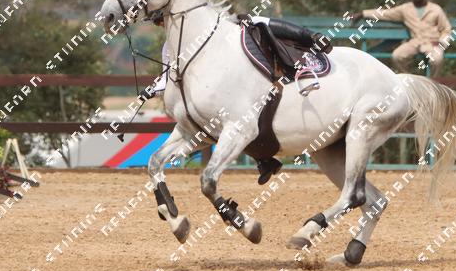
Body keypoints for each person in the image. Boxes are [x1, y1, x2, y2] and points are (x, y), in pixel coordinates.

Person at [140, 13, 332, 184]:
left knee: (256, 20)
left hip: (229, 51)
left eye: (161, 20)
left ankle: (311, 36)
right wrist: (152, 90)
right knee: (232, 124)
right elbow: (166, 79)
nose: (161, 25)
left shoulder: (203, 27)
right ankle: (263, 158)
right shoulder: (169, 49)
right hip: (213, 93)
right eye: (158, 23)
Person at [350, 0, 452, 75]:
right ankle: (408, 79)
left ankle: (433, 82)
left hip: (432, 43)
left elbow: (446, 29)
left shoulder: (435, 9)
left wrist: (441, 43)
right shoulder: (405, 9)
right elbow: (385, 13)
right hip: (415, 42)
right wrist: (363, 13)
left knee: (436, 59)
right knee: (397, 56)